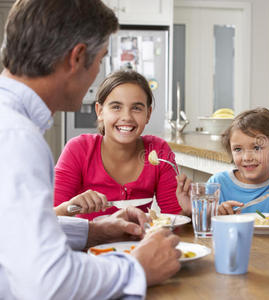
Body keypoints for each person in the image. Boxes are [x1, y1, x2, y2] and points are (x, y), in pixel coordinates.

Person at [0, 1, 180, 298]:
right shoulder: (17, 136)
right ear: (78, 57)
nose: (97, 73)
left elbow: (14, 235)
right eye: (100, 60)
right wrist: (136, 268)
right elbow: (48, 283)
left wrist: (94, 231)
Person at [53, 70, 184, 220]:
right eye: (116, 107)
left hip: (141, 242)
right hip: (89, 243)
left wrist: (187, 211)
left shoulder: (158, 150)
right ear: (100, 111)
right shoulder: (79, 149)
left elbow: (175, 220)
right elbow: (49, 217)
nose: (127, 117)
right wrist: (69, 207)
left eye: (136, 108)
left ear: (148, 114)